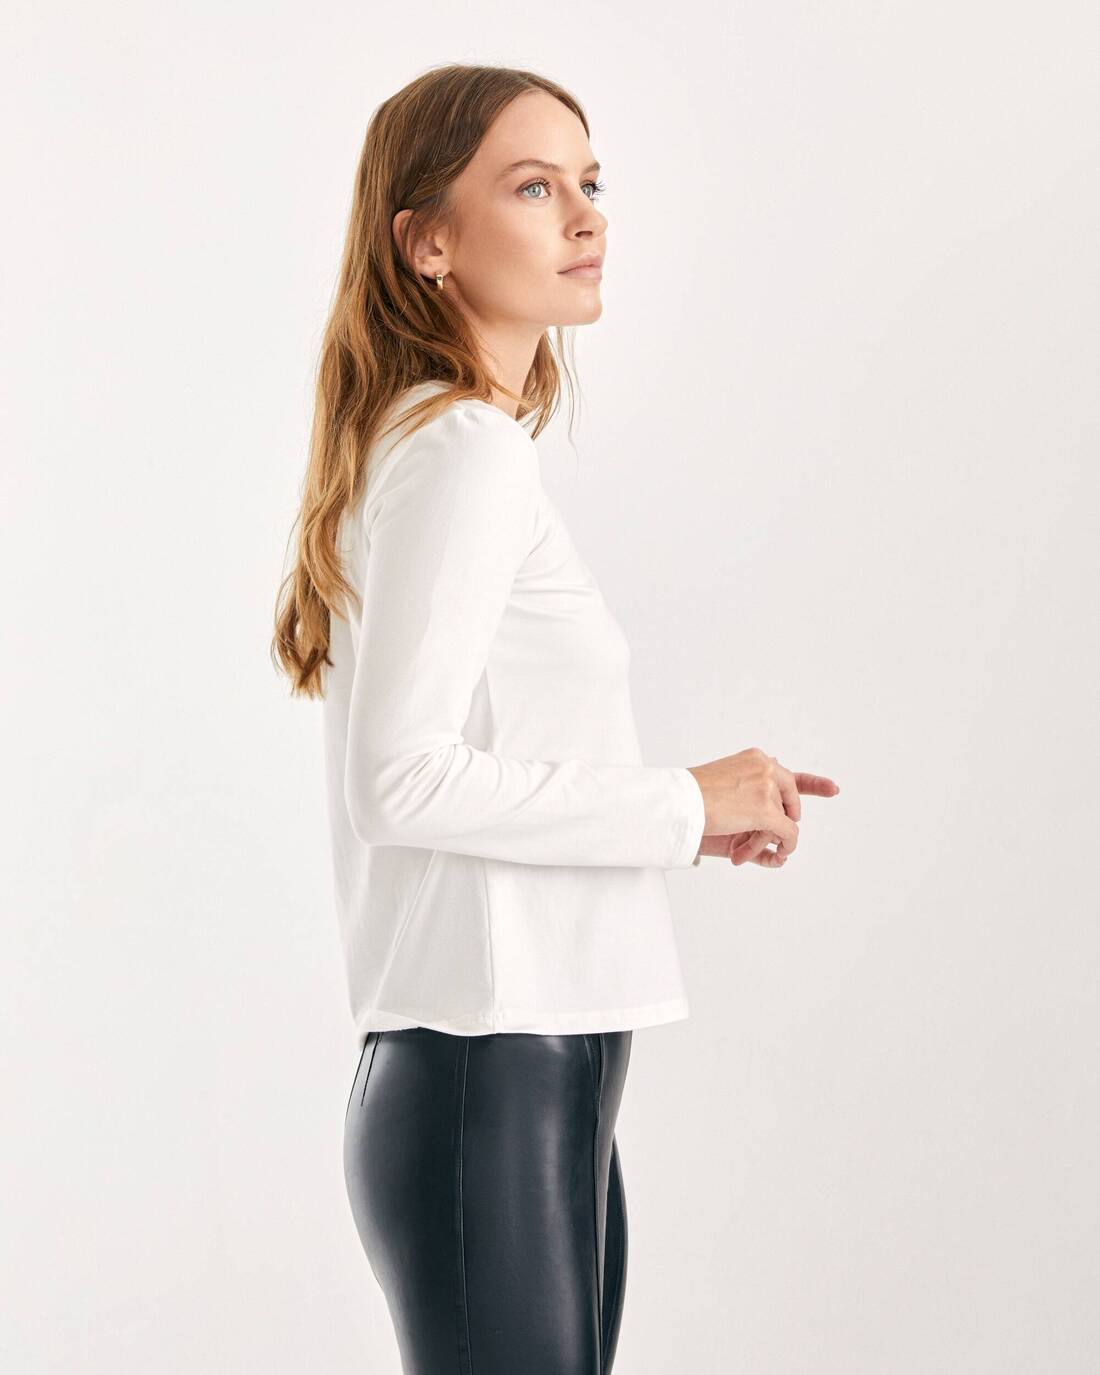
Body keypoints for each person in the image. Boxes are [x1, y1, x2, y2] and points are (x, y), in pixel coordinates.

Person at [271, 62, 839, 1375]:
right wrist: (680, 802)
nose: (587, 216)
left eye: (590, 182)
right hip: (490, 1074)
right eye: (534, 187)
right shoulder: (460, 450)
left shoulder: (449, 447)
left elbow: (474, 758)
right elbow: (400, 780)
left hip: (528, 1071)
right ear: (426, 241)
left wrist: (680, 822)